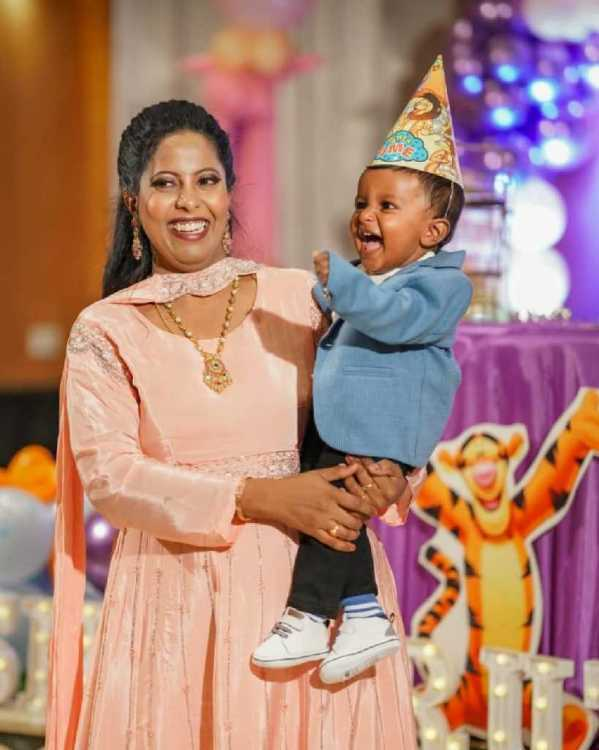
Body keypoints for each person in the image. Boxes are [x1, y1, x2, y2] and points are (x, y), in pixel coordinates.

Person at [46, 99, 419, 749]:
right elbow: (113, 479)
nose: (188, 202)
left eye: (206, 180)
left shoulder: (300, 297)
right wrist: (257, 496)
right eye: (166, 183)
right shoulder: (105, 330)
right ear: (134, 203)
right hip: (179, 600)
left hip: (318, 589)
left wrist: (394, 475)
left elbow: (377, 403)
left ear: (229, 192)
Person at [253, 55, 472, 685]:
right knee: (334, 507)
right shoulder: (370, 280)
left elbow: (393, 320)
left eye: (386, 205)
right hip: (346, 420)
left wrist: (341, 286)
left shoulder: (441, 286)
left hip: (382, 429)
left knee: (332, 513)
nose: (365, 215)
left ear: (433, 230)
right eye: (361, 201)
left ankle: (308, 612)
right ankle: (365, 611)